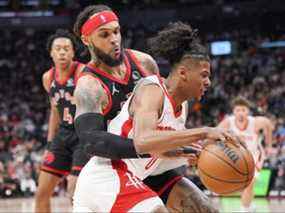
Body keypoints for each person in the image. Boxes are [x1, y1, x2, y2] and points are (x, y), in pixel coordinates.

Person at [73, 17, 237, 211]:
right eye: (204, 75)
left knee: (203, 208)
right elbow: (143, 141)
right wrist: (203, 132)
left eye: (116, 31)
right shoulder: (153, 89)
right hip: (107, 175)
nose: (208, 82)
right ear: (183, 73)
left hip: (138, 176)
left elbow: (159, 150)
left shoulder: (181, 107)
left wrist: (196, 153)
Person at [35, 29, 86, 213]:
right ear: (51, 53)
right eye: (58, 48)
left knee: (74, 192)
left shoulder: (82, 72)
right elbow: (55, 111)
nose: (62, 52)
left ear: (73, 52)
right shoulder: (48, 78)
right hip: (63, 135)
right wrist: (49, 143)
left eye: (66, 48)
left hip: (83, 135)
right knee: (41, 193)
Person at [218, 96, 273, 212]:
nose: (241, 113)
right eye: (238, 110)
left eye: (243, 110)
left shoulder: (256, 122)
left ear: (247, 111)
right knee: (247, 185)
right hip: (236, 156)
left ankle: (244, 209)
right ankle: (250, 205)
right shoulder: (228, 122)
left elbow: (268, 124)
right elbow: (214, 133)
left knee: (249, 183)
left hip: (255, 156)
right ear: (234, 111)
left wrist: (269, 145)